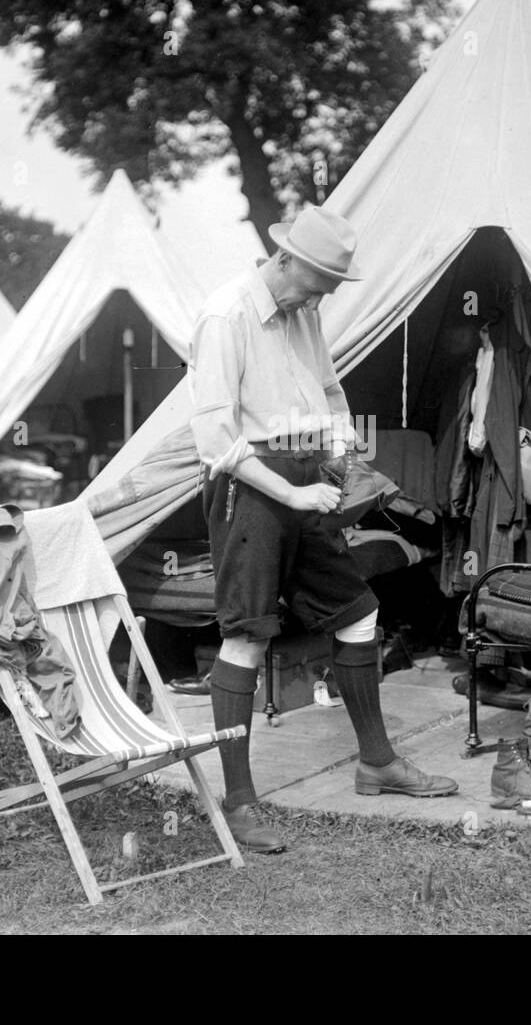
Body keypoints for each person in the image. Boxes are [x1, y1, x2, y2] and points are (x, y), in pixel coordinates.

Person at [189, 204, 459, 853]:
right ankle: (239, 800)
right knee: (247, 636)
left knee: (359, 612)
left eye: (331, 287)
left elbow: (329, 394)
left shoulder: (305, 312)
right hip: (249, 487)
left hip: (310, 478)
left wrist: (343, 463)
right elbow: (216, 441)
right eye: (318, 282)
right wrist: (291, 490)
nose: (325, 296)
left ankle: (377, 761)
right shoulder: (225, 316)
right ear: (285, 260)